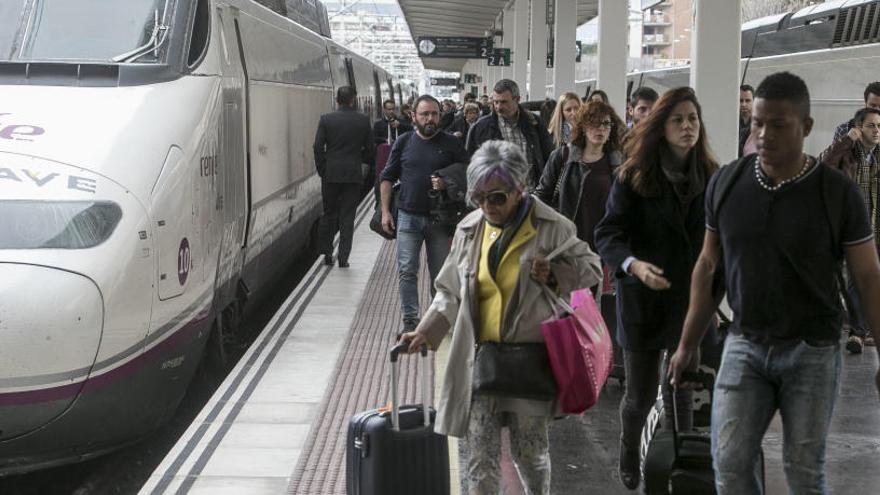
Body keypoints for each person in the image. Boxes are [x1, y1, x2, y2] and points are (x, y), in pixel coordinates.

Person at [668, 72, 880, 495]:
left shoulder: (836, 193)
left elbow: (868, 276)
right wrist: (688, 344)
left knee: (803, 470)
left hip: (813, 350)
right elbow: (709, 266)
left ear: (805, 127)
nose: (763, 134)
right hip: (745, 344)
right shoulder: (727, 182)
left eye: (777, 124)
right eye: (757, 123)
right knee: (728, 463)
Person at [399, 140, 602, 494]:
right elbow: (449, 290)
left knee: (531, 455)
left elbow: (592, 269)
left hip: (529, 361)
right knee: (479, 457)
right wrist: (425, 332)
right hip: (478, 360)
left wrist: (555, 274)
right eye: (479, 197)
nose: (487, 206)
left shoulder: (552, 227)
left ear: (519, 189)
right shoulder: (470, 229)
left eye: (497, 197)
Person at [594, 87, 719, 491]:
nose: (687, 127)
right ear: (661, 127)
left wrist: (717, 296)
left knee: (682, 389)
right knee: (639, 397)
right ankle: (631, 448)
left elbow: (725, 241)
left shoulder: (714, 178)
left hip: (691, 303)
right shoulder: (633, 177)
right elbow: (608, 232)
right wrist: (632, 264)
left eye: (693, 119)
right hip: (643, 301)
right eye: (678, 120)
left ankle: (675, 460)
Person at [380, 95, 469, 332]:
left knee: (440, 273)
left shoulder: (451, 143)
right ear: (413, 116)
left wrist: (447, 181)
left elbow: (467, 172)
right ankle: (410, 320)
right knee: (407, 270)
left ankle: (437, 321)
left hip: (441, 219)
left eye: (435, 114)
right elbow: (387, 177)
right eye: (425, 114)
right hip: (408, 216)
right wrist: (385, 212)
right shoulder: (404, 142)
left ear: (440, 116)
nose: (430, 119)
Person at [820, 107, 880, 353]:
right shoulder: (847, 153)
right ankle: (857, 332)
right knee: (854, 281)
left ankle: (864, 331)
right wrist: (846, 141)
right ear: (858, 128)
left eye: (879, 126)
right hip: (851, 228)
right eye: (871, 126)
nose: (876, 130)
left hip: (876, 226)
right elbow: (824, 165)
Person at [538, 100, 624, 250]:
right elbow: (542, 196)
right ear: (583, 127)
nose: (601, 129)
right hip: (568, 241)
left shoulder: (618, 163)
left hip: (605, 243)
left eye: (606, 124)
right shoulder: (563, 157)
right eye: (594, 123)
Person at [313, 86, 375, 267]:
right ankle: (343, 258)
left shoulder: (326, 120)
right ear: (353, 100)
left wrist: (323, 169)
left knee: (329, 214)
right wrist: (358, 160)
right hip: (352, 174)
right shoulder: (363, 121)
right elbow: (371, 149)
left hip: (330, 174)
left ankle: (326, 254)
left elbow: (317, 147)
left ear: (337, 100)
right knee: (347, 217)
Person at [467, 79, 554, 187]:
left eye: (503, 102)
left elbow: (548, 156)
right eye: (495, 102)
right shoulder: (481, 127)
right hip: (497, 197)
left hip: (532, 195)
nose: (498, 107)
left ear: (517, 99)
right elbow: (470, 163)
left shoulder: (534, 123)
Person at [831, 81, 880, 145]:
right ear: (865, 105)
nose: (878, 110)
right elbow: (833, 154)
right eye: (873, 106)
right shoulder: (845, 129)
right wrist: (847, 141)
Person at [738, 84, 754, 158]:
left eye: (747, 101)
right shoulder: (733, 123)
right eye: (741, 101)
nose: (743, 104)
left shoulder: (759, 124)